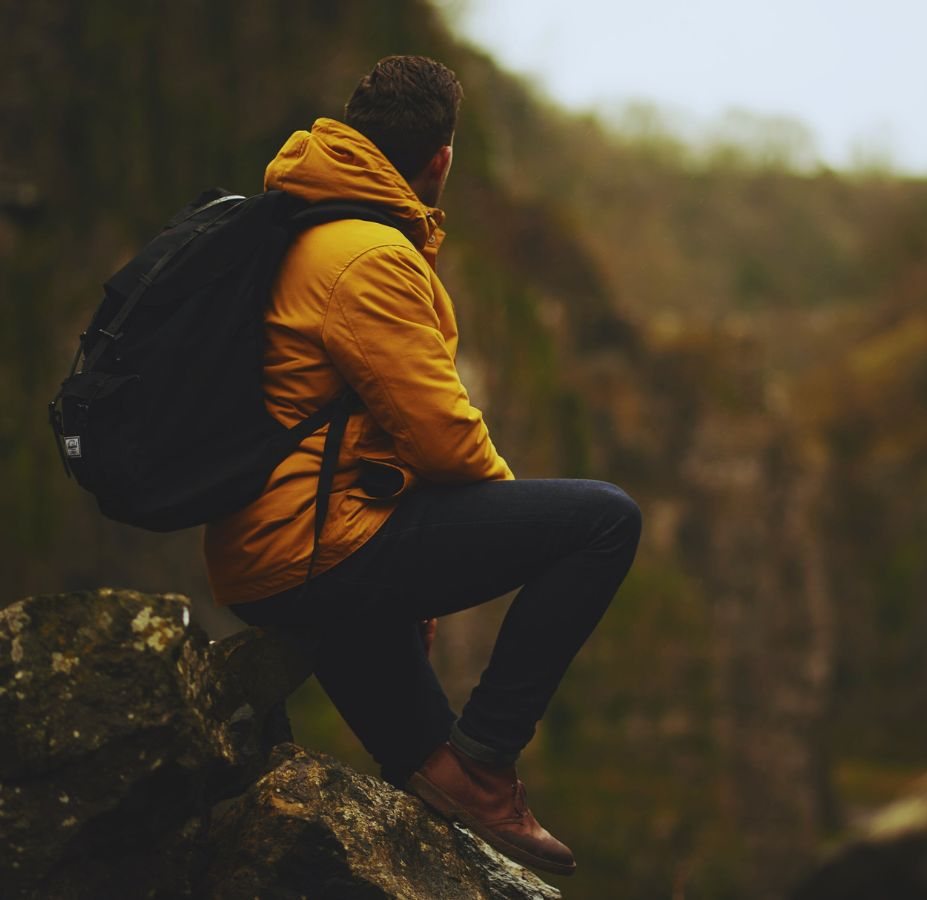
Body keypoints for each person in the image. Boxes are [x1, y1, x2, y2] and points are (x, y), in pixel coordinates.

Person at [203, 55, 641, 877]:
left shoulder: (298, 223)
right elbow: (443, 435)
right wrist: (486, 539)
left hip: (277, 551)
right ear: (440, 159)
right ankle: (490, 759)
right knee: (603, 520)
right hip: (313, 550)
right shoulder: (367, 255)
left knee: (434, 788)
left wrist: (420, 557)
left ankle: (465, 782)